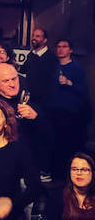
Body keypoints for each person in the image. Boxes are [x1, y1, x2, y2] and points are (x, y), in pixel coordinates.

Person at [49, 39, 91, 180]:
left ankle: (68, 176)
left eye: (64, 47)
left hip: (69, 114)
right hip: (53, 112)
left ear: (70, 50)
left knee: (68, 145)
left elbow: (84, 91)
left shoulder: (76, 68)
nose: (61, 49)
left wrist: (69, 83)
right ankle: (56, 174)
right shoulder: (53, 67)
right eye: (58, 46)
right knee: (54, 145)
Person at [61, 153, 95, 219]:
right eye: (74, 169)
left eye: (84, 170)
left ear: (92, 173)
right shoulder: (58, 198)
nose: (79, 173)